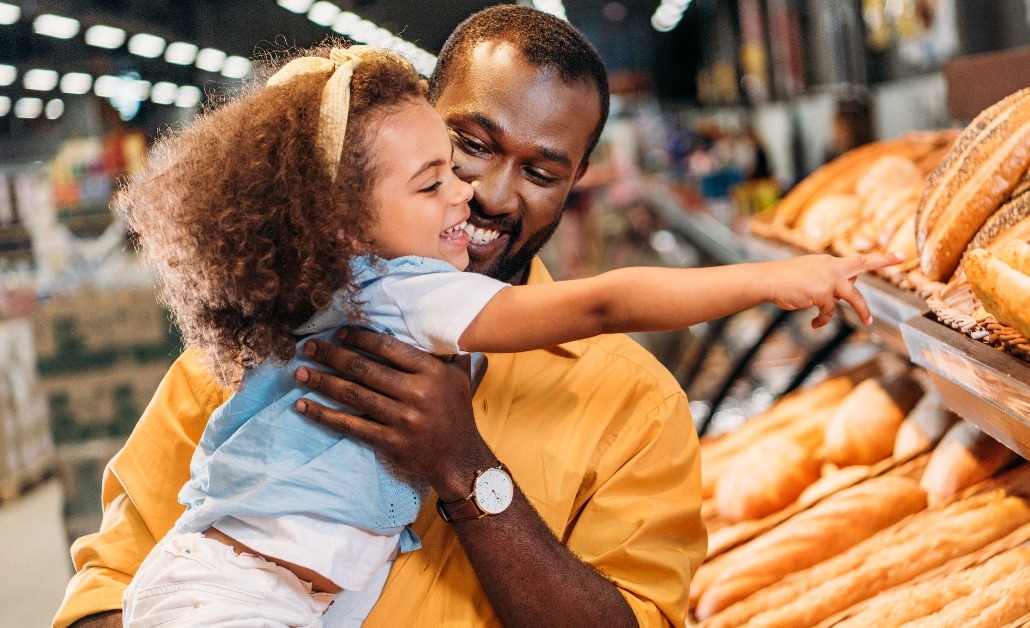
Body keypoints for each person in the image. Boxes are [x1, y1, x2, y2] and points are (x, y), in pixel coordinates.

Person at [54, 7, 897, 627]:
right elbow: (109, 591)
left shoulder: (634, 405)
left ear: (578, 186)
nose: (491, 195)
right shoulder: (254, 344)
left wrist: (464, 469)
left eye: (542, 169)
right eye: (472, 145)